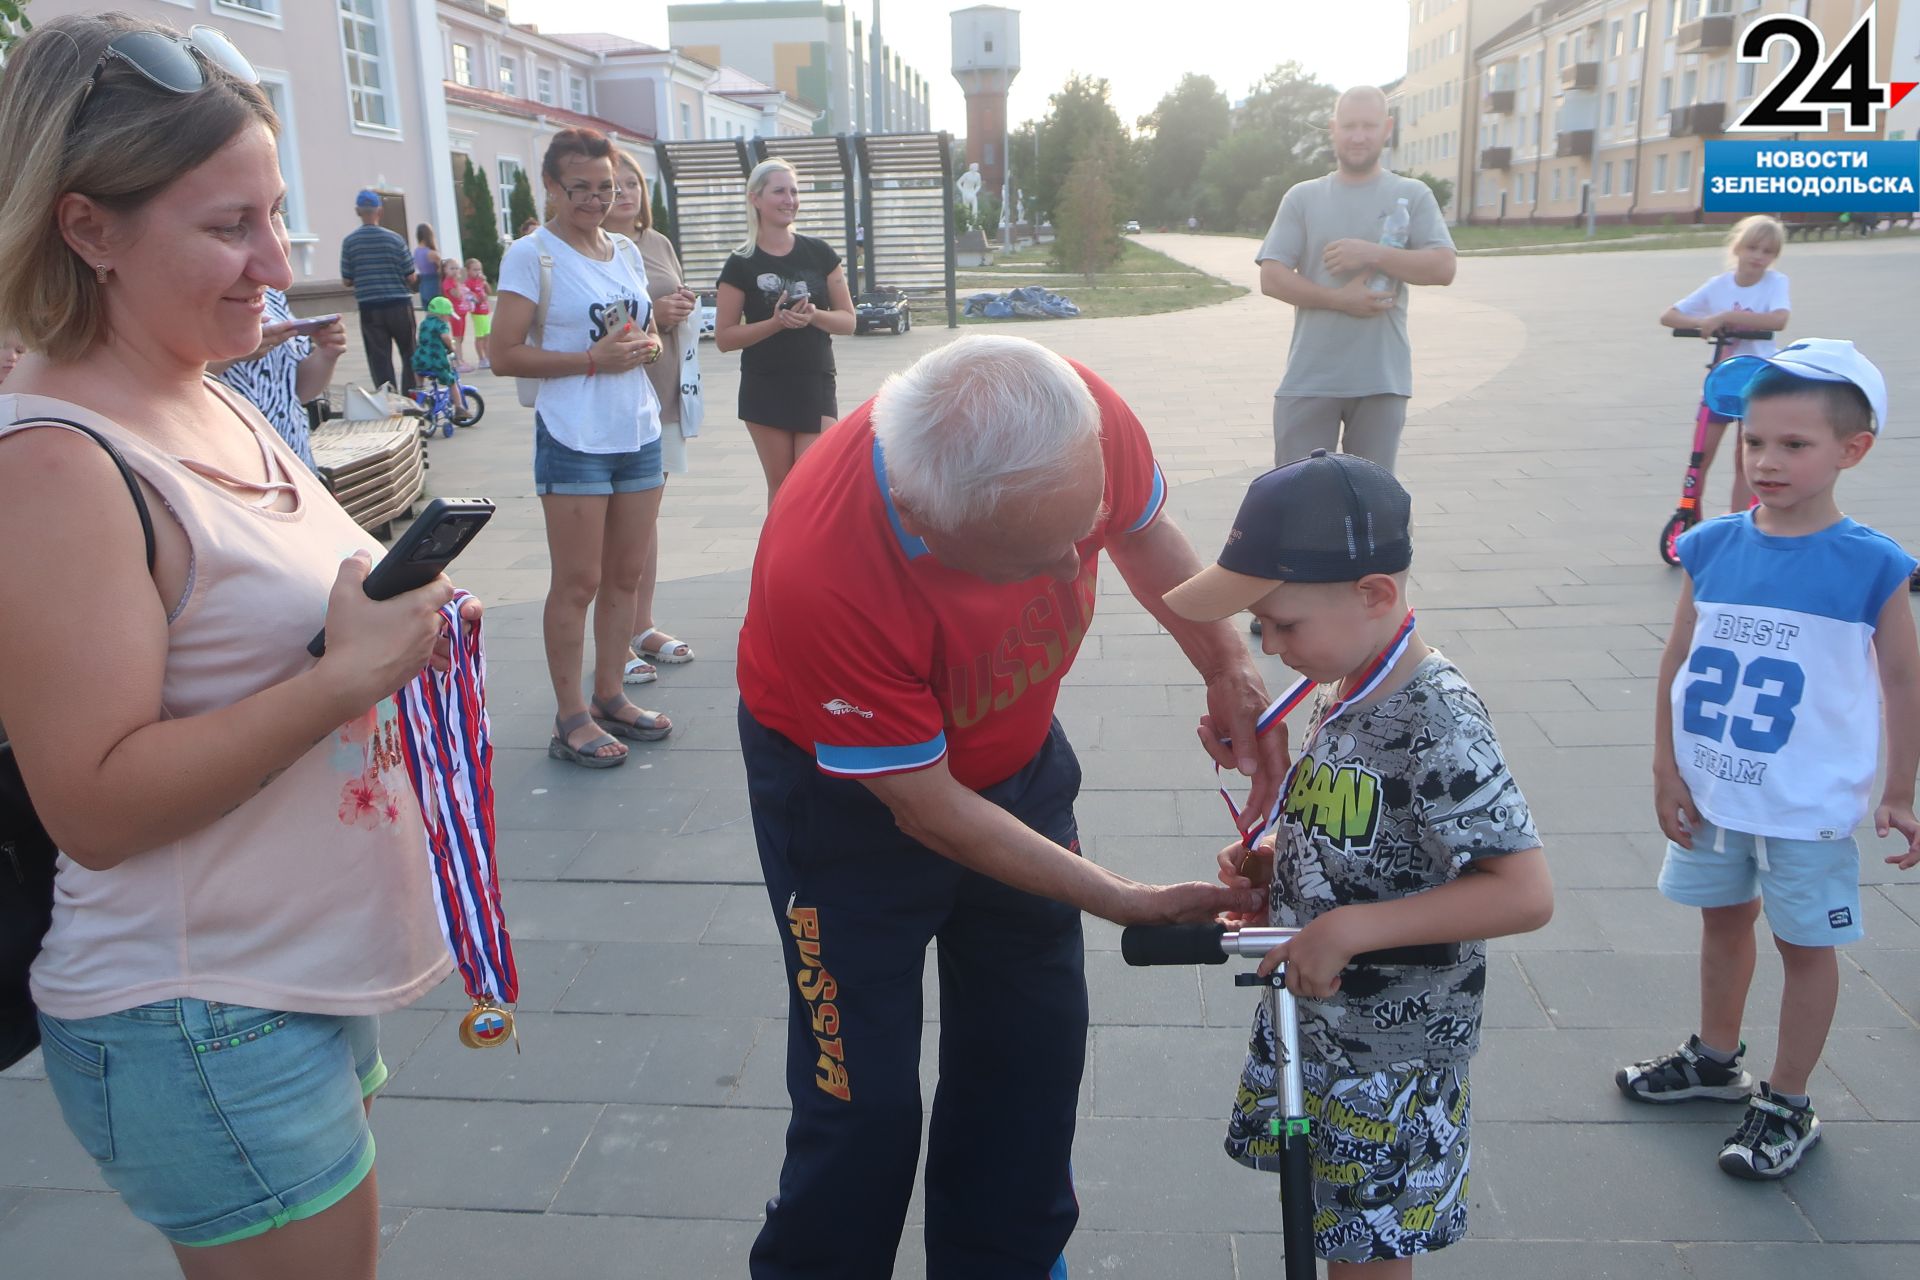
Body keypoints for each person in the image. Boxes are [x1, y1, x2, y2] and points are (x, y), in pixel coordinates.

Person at [0, 15, 475, 1276]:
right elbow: (94, 800)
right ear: (86, 226)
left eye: (275, 212)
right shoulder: (54, 461)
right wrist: (344, 677)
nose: (275, 259)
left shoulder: (204, 381)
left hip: (289, 975)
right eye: (228, 227)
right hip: (198, 1005)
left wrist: (373, 619)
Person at [735, 334, 1288, 1278]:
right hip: (846, 810)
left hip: (1017, 765)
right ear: (925, 522)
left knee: (1030, 1058)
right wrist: (1121, 897)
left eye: (1079, 533)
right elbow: (926, 810)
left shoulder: (1063, 412)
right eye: (1040, 556)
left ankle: (1011, 1262)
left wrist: (1228, 663)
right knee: (860, 1108)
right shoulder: (826, 563)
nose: (1077, 564)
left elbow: (1143, 533)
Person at [1164, 451, 1553, 1276]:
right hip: (1328, 1027)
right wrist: (1280, 859)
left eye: (1281, 624)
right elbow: (1377, 828)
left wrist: (1350, 927)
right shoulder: (1347, 684)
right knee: (1328, 1225)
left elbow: (1522, 892)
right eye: (1258, 627)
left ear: (1374, 594)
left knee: (1368, 1252)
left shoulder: (1435, 716)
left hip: (1395, 1049)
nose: (1267, 645)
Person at [1618, 339, 1919, 1180]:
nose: (1767, 460)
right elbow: (1675, 663)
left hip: (1804, 803)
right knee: (1721, 920)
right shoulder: (1711, 547)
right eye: (1754, 441)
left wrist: (1899, 789)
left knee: (1803, 943)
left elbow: (1903, 680)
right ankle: (1716, 1060)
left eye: (1795, 444)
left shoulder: (1874, 564)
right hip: (1714, 791)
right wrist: (1665, 768)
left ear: (1852, 450)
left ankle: (1788, 1099)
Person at [490, 127, 671, 768]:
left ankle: (610, 694)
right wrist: (591, 360)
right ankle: (570, 717)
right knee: (578, 582)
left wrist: (644, 344)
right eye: (582, 188)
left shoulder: (622, 248)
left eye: (608, 186)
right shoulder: (530, 255)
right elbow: (502, 353)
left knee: (624, 576)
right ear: (552, 187)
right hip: (574, 435)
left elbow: (643, 328)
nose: (597, 199)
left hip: (638, 429)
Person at [1257, 85, 1456, 474]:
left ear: (1387, 128)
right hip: (1310, 378)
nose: (1359, 136)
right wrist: (1339, 299)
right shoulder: (1304, 197)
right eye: (1349, 126)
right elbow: (1272, 277)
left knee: (1376, 509)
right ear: (1333, 129)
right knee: (1298, 503)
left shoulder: (1411, 195)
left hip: (1381, 379)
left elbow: (1443, 267)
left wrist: (1375, 253)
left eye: (1369, 126)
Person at [605, 147, 701, 684]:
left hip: (662, 394)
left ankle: (641, 626)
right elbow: (608, 318)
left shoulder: (656, 242)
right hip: (614, 398)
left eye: (631, 184)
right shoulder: (598, 251)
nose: (622, 193)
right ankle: (614, 639)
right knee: (614, 524)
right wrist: (656, 315)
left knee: (646, 517)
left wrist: (680, 310)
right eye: (610, 184)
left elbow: (667, 317)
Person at [715, 157, 856, 501]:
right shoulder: (740, 263)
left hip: (815, 379)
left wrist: (814, 316)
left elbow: (849, 321)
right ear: (755, 199)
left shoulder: (820, 253)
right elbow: (724, 338)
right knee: (782, 489)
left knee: (814, 483)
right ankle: (780, 557)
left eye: (793, 191)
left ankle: (812, 555)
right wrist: (775, 323)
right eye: (779, 191)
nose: (789, 199)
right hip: (766, 384)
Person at [1658, 214, 1791, 514]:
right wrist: (1703, 322)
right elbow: (1669, 315)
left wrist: (1727, 318)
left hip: (1758, 380)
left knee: (1744, 457)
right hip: (1723, 379)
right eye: (1753, 248)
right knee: (1700, 454)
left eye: (1768, 251)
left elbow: (1779, 319)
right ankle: (1691, 515)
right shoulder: (1718, 286)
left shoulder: (1775, 283)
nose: (1759, 257)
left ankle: (1738, 521)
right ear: (1738, 248)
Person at [208, 287, 347, 471]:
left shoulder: (271, 295)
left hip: (296, 460)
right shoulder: (198, 299)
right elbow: (166, 382)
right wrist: (232, 354)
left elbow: (297, 393)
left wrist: (326, 354)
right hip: (240, 467)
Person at [338, 188, 416, 390]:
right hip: (399, 305)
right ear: (379, 211)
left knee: (379, 357)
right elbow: (411, 275)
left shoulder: (350, 243)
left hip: (370, 308)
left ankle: (389, 399)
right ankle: (412, 397)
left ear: (357, 211)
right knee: (409, 353)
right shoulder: (396, 239)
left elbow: (347, 280)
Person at [411, 296, 465, 418]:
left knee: (418, 370)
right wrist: (451, 347)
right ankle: (459, 408)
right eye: (448, 315)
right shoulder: (441, 325)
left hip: (421, 359)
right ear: (442, 315)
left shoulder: (424, 323)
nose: (449, 318)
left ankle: (420, 388)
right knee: (452, 382)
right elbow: (445, 337)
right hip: (436, 361)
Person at [439, 256, 471, 370]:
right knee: (457, 337)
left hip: (462, 312)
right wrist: (457, 282)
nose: (455, 271)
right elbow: (456, 295)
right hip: (455, 313)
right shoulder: (448, 283)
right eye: (452, 268)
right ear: (445, 270)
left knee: (461, 337)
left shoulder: (454, 282)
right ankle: (458, 361)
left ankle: (460, 359)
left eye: (456, 268)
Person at [464, 257, 493, 369]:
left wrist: (485, 283)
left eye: (479, 270)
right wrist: (480, 298)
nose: (478, 272)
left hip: (485, 311)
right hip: (477, 312)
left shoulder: (480, 281)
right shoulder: (468, 283)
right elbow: (471, 298)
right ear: (468, 271)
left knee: (487, 335)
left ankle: (488, 356)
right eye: (475, 270)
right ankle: (482, 358)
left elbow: (489, 292)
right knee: (480, 336)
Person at [412, 223, 441, 311]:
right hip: (433, 283)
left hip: (423, 284)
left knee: (428, 313)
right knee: (438, 313)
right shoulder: (432, 253)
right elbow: (441, 269)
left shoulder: (416, 252)